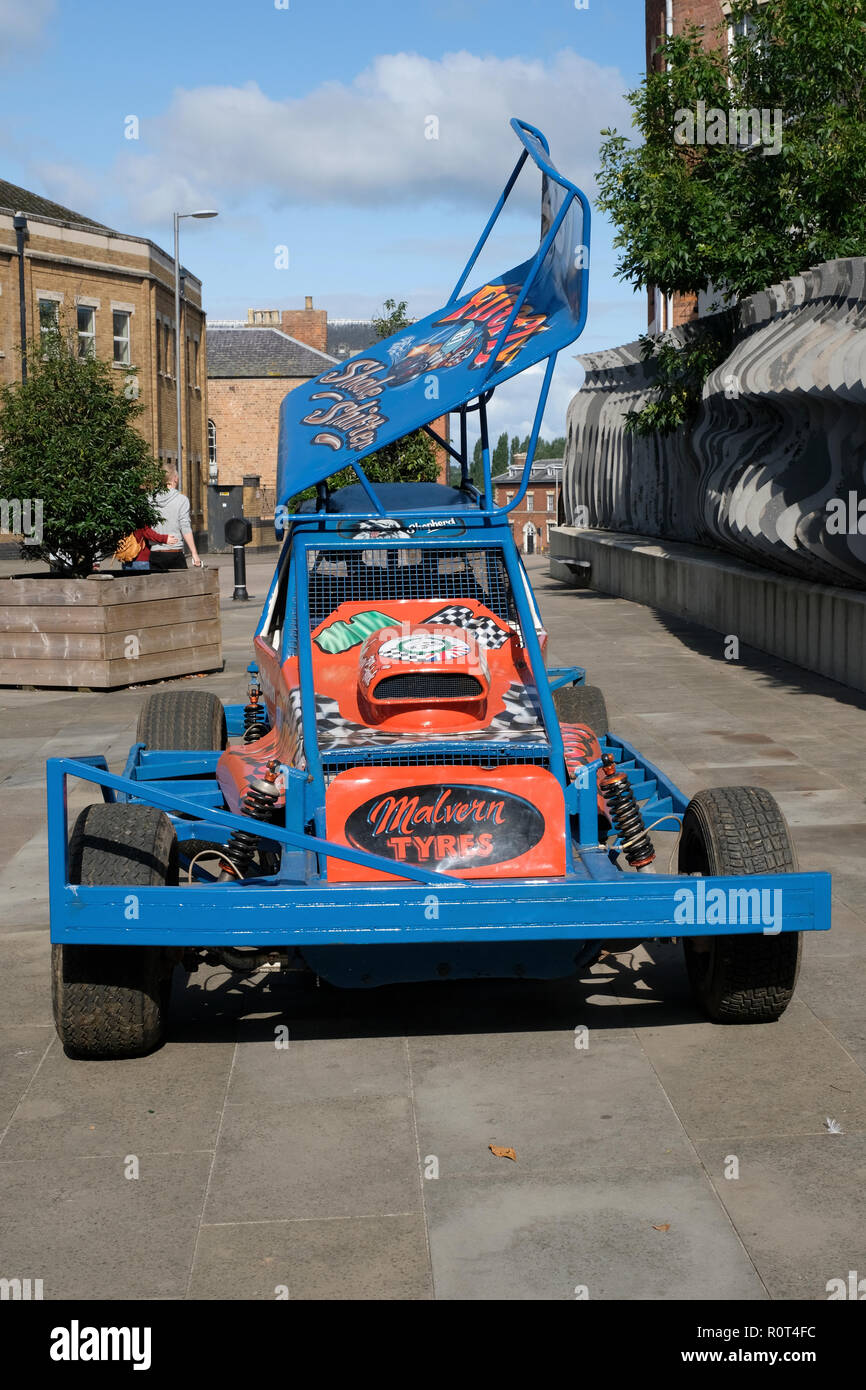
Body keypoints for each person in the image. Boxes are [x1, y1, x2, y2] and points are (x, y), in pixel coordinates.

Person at [149, 468, 203, 571]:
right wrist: (194, 554)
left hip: (155, 553)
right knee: (180, 585)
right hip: (175, 553)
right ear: (175, 479)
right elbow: (185, 527)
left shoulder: (150, 499)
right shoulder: (182, 500)